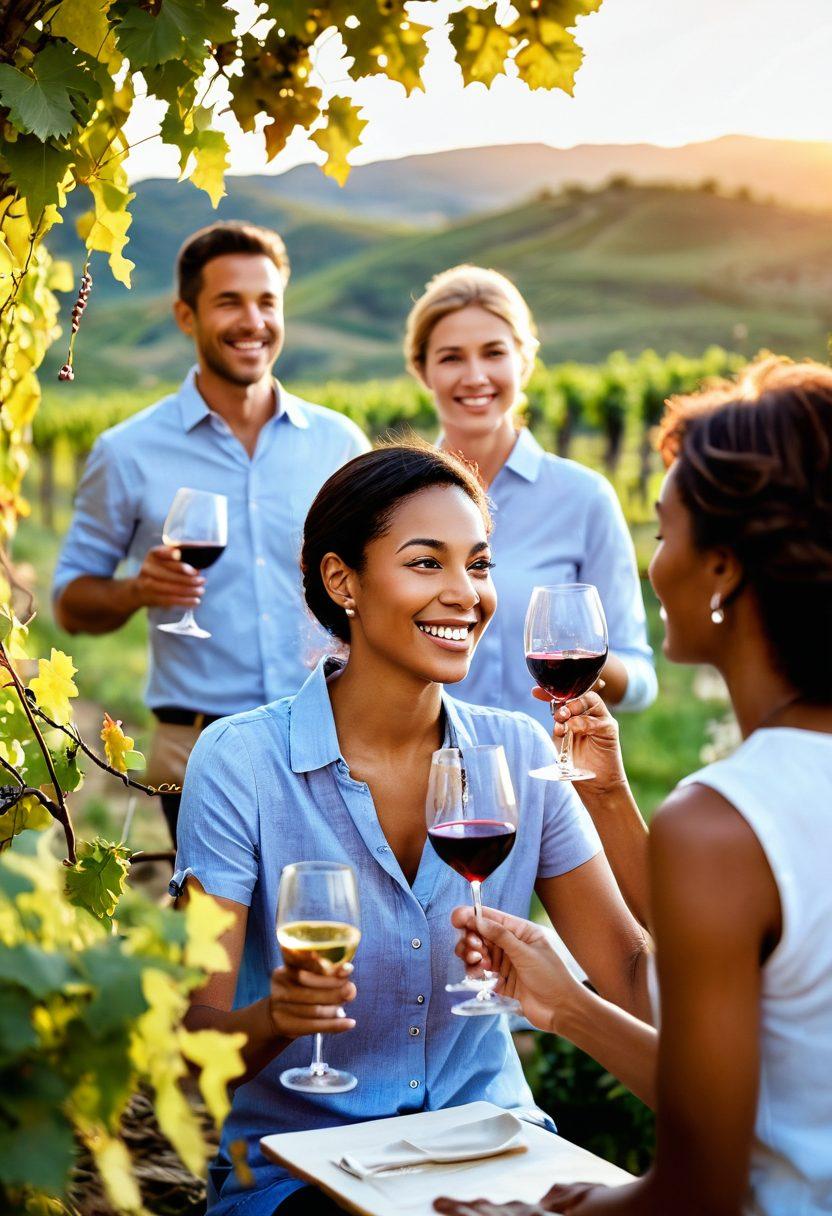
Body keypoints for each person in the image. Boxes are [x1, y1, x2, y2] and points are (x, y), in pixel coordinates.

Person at [171, 442, 653, 1214]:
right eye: (427, 563)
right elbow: (195, 1049)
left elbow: (629, 973)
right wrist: (279, 1015)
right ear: (343, 581)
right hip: (301, 1179)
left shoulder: (524, 753)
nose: (466, 593)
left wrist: (611, 795)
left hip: (501, 1155)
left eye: (480, 564)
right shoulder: (241, 762)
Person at [434, 357, 832, 1216]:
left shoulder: (723, 823)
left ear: (721, 568)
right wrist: (609, 799)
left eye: (663, 533)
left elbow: (697, 1190)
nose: (652, 564)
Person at [52, 221, 369, 840]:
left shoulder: (340, 445)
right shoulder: (128, 451)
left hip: (334, 730)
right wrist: (135, 591)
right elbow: (69, 602)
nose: (253, 320)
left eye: (267, 301)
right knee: (217, 931)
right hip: (195, 743)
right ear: (185, 315)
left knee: (331, 924)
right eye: (229, 302)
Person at [404, 264, 657, 731]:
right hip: (428, 776)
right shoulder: (397, 501)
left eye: (494, 353)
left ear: (524, 360)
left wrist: (582, 659)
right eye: (451, 357)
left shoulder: (585, 499)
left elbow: (641, 682)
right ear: (422, 370)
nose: (475, 375)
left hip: (554, 776)